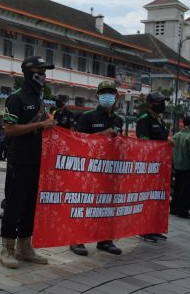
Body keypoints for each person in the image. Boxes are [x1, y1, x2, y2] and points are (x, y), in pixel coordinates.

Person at [0, 55, 55, 269]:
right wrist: (41, 125)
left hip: (37, 160)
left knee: (30, 206)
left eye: (45, 72)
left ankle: (25, 247)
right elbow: (10, 130)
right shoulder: (16, 98)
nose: (43, 76)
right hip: (18, 160)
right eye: (40, 71)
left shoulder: (39, 98)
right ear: (29, 72)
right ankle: (7, 249)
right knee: (14, 205)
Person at [69, 81, 124, 256]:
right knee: (84, 204)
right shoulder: (88, 117)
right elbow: (78, 141)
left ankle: (105, 240)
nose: (107, 96)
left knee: (106, 206)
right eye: (103, 93)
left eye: (111, 93)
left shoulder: (118, 120)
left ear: (116, 96)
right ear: (97, 96)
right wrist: (101, 135)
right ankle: (76, 239)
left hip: (110, 170)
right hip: (90, 169)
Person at [136, 91, 170, 242]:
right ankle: (144, 230)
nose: (162, 104)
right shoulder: (145, 119)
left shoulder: (160, 119)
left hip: (160, 166)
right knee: (147, 198)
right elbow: (143, 143)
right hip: (149, 166)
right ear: (150, 104)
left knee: (156, 198)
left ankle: (153, 228)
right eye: (159, 102)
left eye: (163, 101)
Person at [171, 115, 190, 219]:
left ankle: (174, 208)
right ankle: (183, 211)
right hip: (188, 168)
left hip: (177, 167)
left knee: (177, 189)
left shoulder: (176, 135)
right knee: (187, 191)